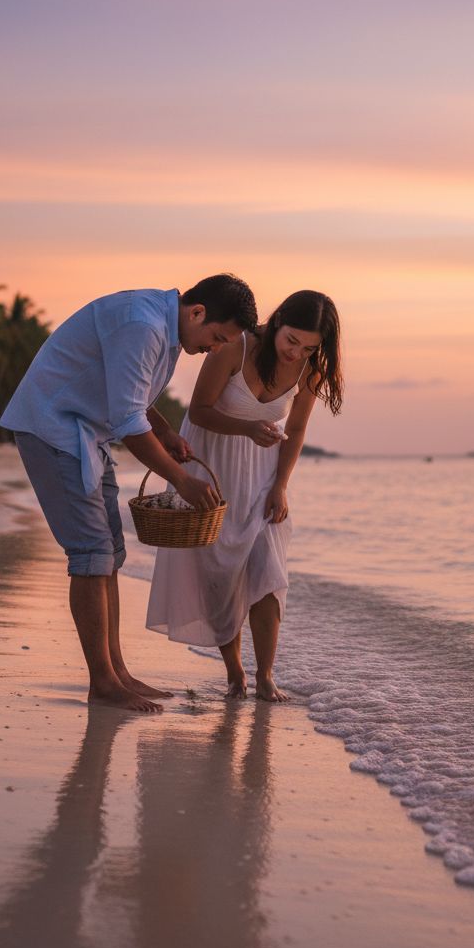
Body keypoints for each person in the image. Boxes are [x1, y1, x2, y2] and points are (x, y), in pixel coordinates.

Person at [0, 275, 258, 713]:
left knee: (111, 554)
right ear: (197, 312)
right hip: (52, 426)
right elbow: (126, 421)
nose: (214, 349)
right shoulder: (142, 324)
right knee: (90, 554)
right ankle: (102, 682)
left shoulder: (168, 329)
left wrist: (167, 431)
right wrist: (180, 478)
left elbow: (133, 398)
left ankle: (117, 672)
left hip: (85, 432)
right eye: (216, 337)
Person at [146, 290, 343, 701]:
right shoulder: (236, 346)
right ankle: (236, 675)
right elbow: (198, 411)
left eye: (309, 346)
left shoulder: (309, 370)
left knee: (268, 572)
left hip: (263, 476)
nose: (296, 352)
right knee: (219, 575)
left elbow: (298, 430)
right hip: (213, 464)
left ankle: (266, 675)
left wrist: (281, 485)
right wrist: (246, 429)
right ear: (276, 323)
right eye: (291, 340)